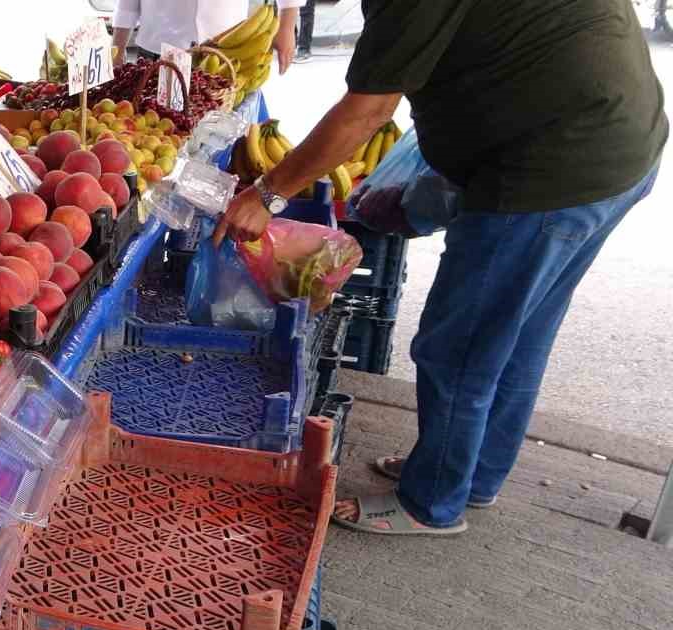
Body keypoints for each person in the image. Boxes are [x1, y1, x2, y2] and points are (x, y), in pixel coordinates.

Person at [215, 0, 665, 538]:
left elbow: (368, 110)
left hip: (549, 170)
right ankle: (469, 473)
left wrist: (268, 193)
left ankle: (431, 503)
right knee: (518, 336)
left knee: (457, 350)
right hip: (616, 142)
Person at [112, 0, 302, 72]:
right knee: (156, 136)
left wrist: (286, 26)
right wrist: (117, 49)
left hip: (228, 49)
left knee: (223, 135)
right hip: (158, 51)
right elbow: (126, 3)